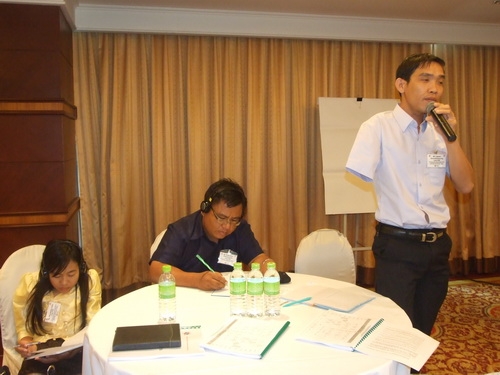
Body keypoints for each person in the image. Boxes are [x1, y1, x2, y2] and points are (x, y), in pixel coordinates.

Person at [346, 53, 474, 338]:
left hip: (438, 247)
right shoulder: (377, 127)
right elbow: (359, 170)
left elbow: (466, 185)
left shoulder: (440, 132)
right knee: (397, 331)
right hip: (398, 247)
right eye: (425, 79)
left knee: (422, 330)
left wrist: (451, 138)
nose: (434, 89)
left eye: (439, 82)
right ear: (401, 85)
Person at [149, 178, 276, 291]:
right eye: (221, 217)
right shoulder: (181, 231)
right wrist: (197, 280)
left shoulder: (240, 229)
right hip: (186, 301)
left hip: (226, 299)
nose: (227, 226)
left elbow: (258, 258)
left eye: (234, 220)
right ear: (205, 209)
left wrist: (267, 267)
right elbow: (156, 270)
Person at [13, 239, 102, 375]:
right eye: (56, 275)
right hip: (40, 349)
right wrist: (26, 344)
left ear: (81, 268)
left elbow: (93, 324)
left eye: (71, 274)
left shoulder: (89, 281)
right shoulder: (30, 283)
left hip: (75, 349)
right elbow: (22, 324)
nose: (64, 282)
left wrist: (68, 352)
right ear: (45, 272)